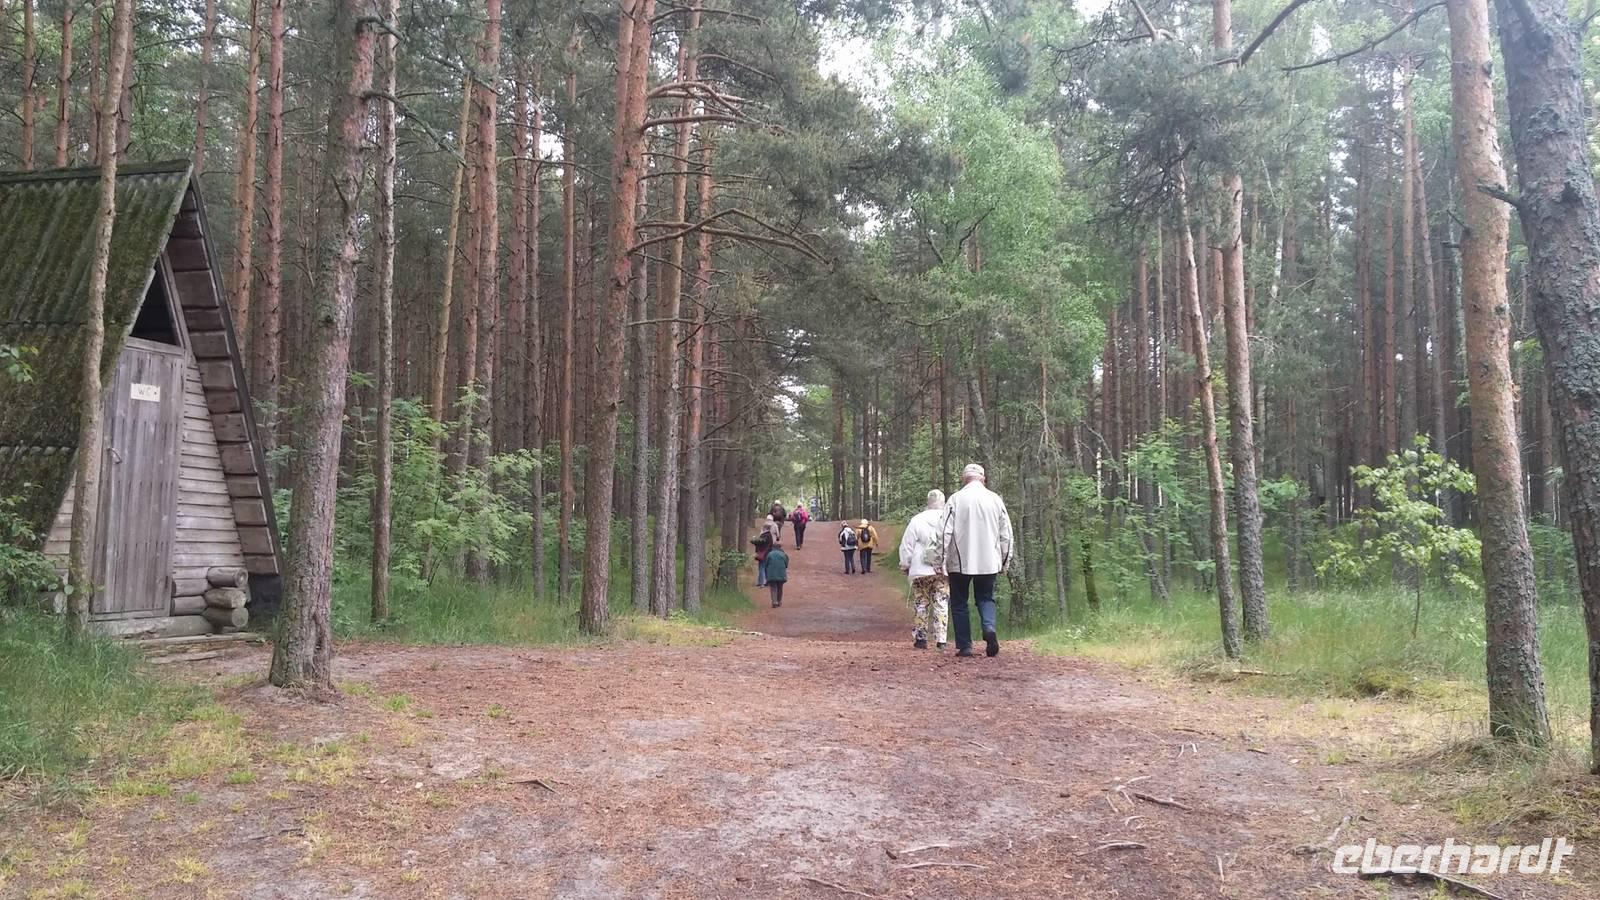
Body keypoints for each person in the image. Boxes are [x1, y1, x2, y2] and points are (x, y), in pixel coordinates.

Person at [942, 462, 1013, 658]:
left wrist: (940, 561)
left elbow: (944, 532)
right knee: (985, 597)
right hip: (989, 560)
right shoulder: (995, 500)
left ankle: (965, 646)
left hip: (960, 562)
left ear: (964, 479)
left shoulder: (955, 499)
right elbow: (1006, 533)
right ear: (983, 478)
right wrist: (1004, 561)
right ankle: (989, 628)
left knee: (959, 602)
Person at [900, 489, 951, 650]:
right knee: (941, 602)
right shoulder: (948, 519)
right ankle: (941, 639)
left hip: (920, 569)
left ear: (928, 502)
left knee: (921, 602)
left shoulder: (917, 520)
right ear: (943, 502)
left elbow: (907, 545)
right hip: (941, 569)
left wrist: (905, 564)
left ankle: (921, 638)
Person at [765, 538, 790, 608]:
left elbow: (766, 563)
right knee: (780, 588)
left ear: (773, 547)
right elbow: (786, 564)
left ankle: (774, 601)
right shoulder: (783, 554)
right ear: (780, 547)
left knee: (773, 588)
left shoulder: (770, 554)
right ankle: (779, 601)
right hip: (781, 574)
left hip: (772, 574)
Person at [752, 516, 776, 587]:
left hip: (763, 553)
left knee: (761, 567)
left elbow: (760, 542)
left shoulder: (764, 535)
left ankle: (761, 582)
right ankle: (766, 581)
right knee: (765, 567)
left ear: (765, 528)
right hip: (768, 553)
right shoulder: (770, 535)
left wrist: (754, 541)